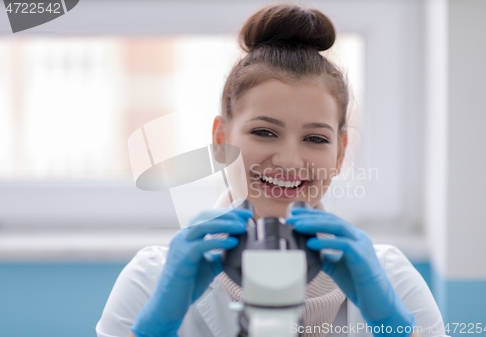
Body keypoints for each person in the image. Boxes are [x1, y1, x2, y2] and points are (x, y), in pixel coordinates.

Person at [96, 3, 447, 337]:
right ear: (221, 140)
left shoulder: (391, 280)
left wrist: (394, 325)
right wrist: (152, 331)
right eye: (264, 132)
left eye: (315, 138)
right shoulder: (151, 280)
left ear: (340, 153)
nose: (290, 161)